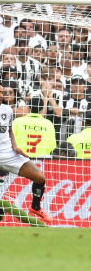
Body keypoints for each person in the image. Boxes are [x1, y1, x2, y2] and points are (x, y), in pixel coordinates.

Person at [0, 86, 53, 223]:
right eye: (0, 92)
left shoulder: (7, 110)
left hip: (7, 153)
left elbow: (9, 130)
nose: (2, 95)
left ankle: (35, 207)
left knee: (40, 177)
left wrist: (15, 147)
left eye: (2, 92)